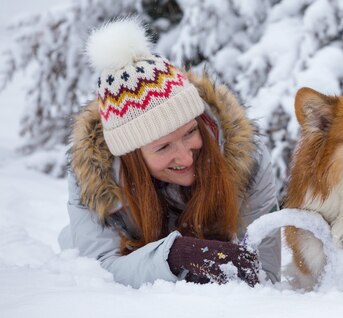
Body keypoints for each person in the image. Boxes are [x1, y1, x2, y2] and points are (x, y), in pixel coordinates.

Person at [58, 18, 280, 288]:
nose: (186, 158)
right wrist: (174, 256)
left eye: (190, 133)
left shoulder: (248, 161)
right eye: (163, 147)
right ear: (132, 156)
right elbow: (96, 270)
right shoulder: (93, 182)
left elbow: (267, 275)